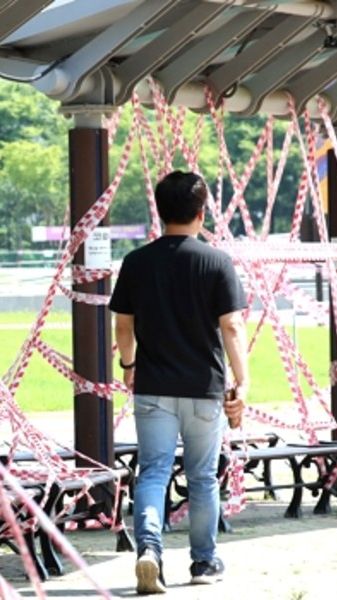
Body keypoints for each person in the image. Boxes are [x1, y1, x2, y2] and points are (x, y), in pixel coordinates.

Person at [108, 170, 249, 594]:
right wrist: (243, 382)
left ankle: (150, 551)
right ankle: (203, 561)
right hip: (204, 388)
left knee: (153, 472)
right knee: (202, 477)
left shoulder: (136, 262)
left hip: (153, 385)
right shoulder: (216, 262)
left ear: (160, 210)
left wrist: (129, 364)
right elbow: (232, 326)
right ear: (202, 212)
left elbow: (123, 327)